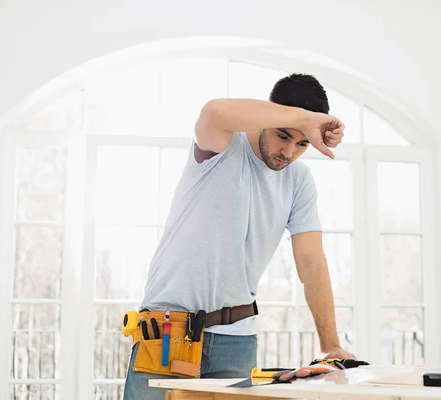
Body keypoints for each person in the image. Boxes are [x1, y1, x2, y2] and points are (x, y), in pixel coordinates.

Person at [123, 73, 356, 398]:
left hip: (237, 341)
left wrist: (331, 344)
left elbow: (311, 261)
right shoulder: (221, 144)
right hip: (168, 331)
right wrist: (306, 119)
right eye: (283, 135)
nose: (288, 152)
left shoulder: (299, 182)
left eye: (302, 143)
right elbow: (213, 112)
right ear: (270, 115)